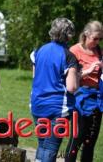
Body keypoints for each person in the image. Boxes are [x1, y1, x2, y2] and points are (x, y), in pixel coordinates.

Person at [30, 18, 78, 162]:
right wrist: (79, 77)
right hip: (58, 108)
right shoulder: (69, 56)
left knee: (42, 145)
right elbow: (71, 87)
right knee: (50, 148)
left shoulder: (38, 51)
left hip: (37, 104)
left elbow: (35, 76)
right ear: (68, 35)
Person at [65, 20, 102, 162]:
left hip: (97, 100)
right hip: (80, 99)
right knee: (77, 137)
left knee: (90, 140)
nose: (97, 42)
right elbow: (69, 77)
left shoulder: (99, 52)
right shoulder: (74, 51)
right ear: (86, 35)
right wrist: (89, 71)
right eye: (95, 38)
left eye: (100, 39)